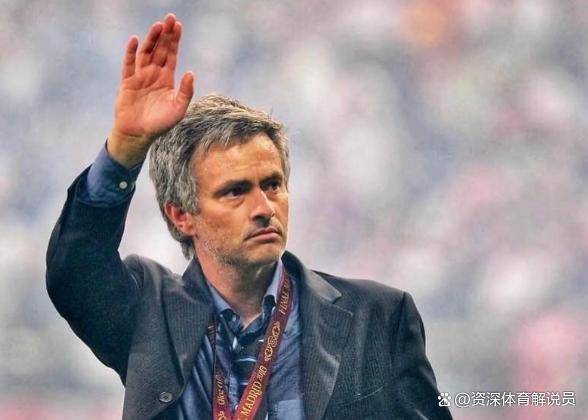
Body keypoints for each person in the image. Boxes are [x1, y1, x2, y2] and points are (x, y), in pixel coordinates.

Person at [46, 13, 452, 420]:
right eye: (235, 191)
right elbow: (74, 271)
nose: (264, 208)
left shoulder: (378, 318)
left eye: (273, 185)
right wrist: (124, 151)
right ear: (182, 215)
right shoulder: (151, 315)